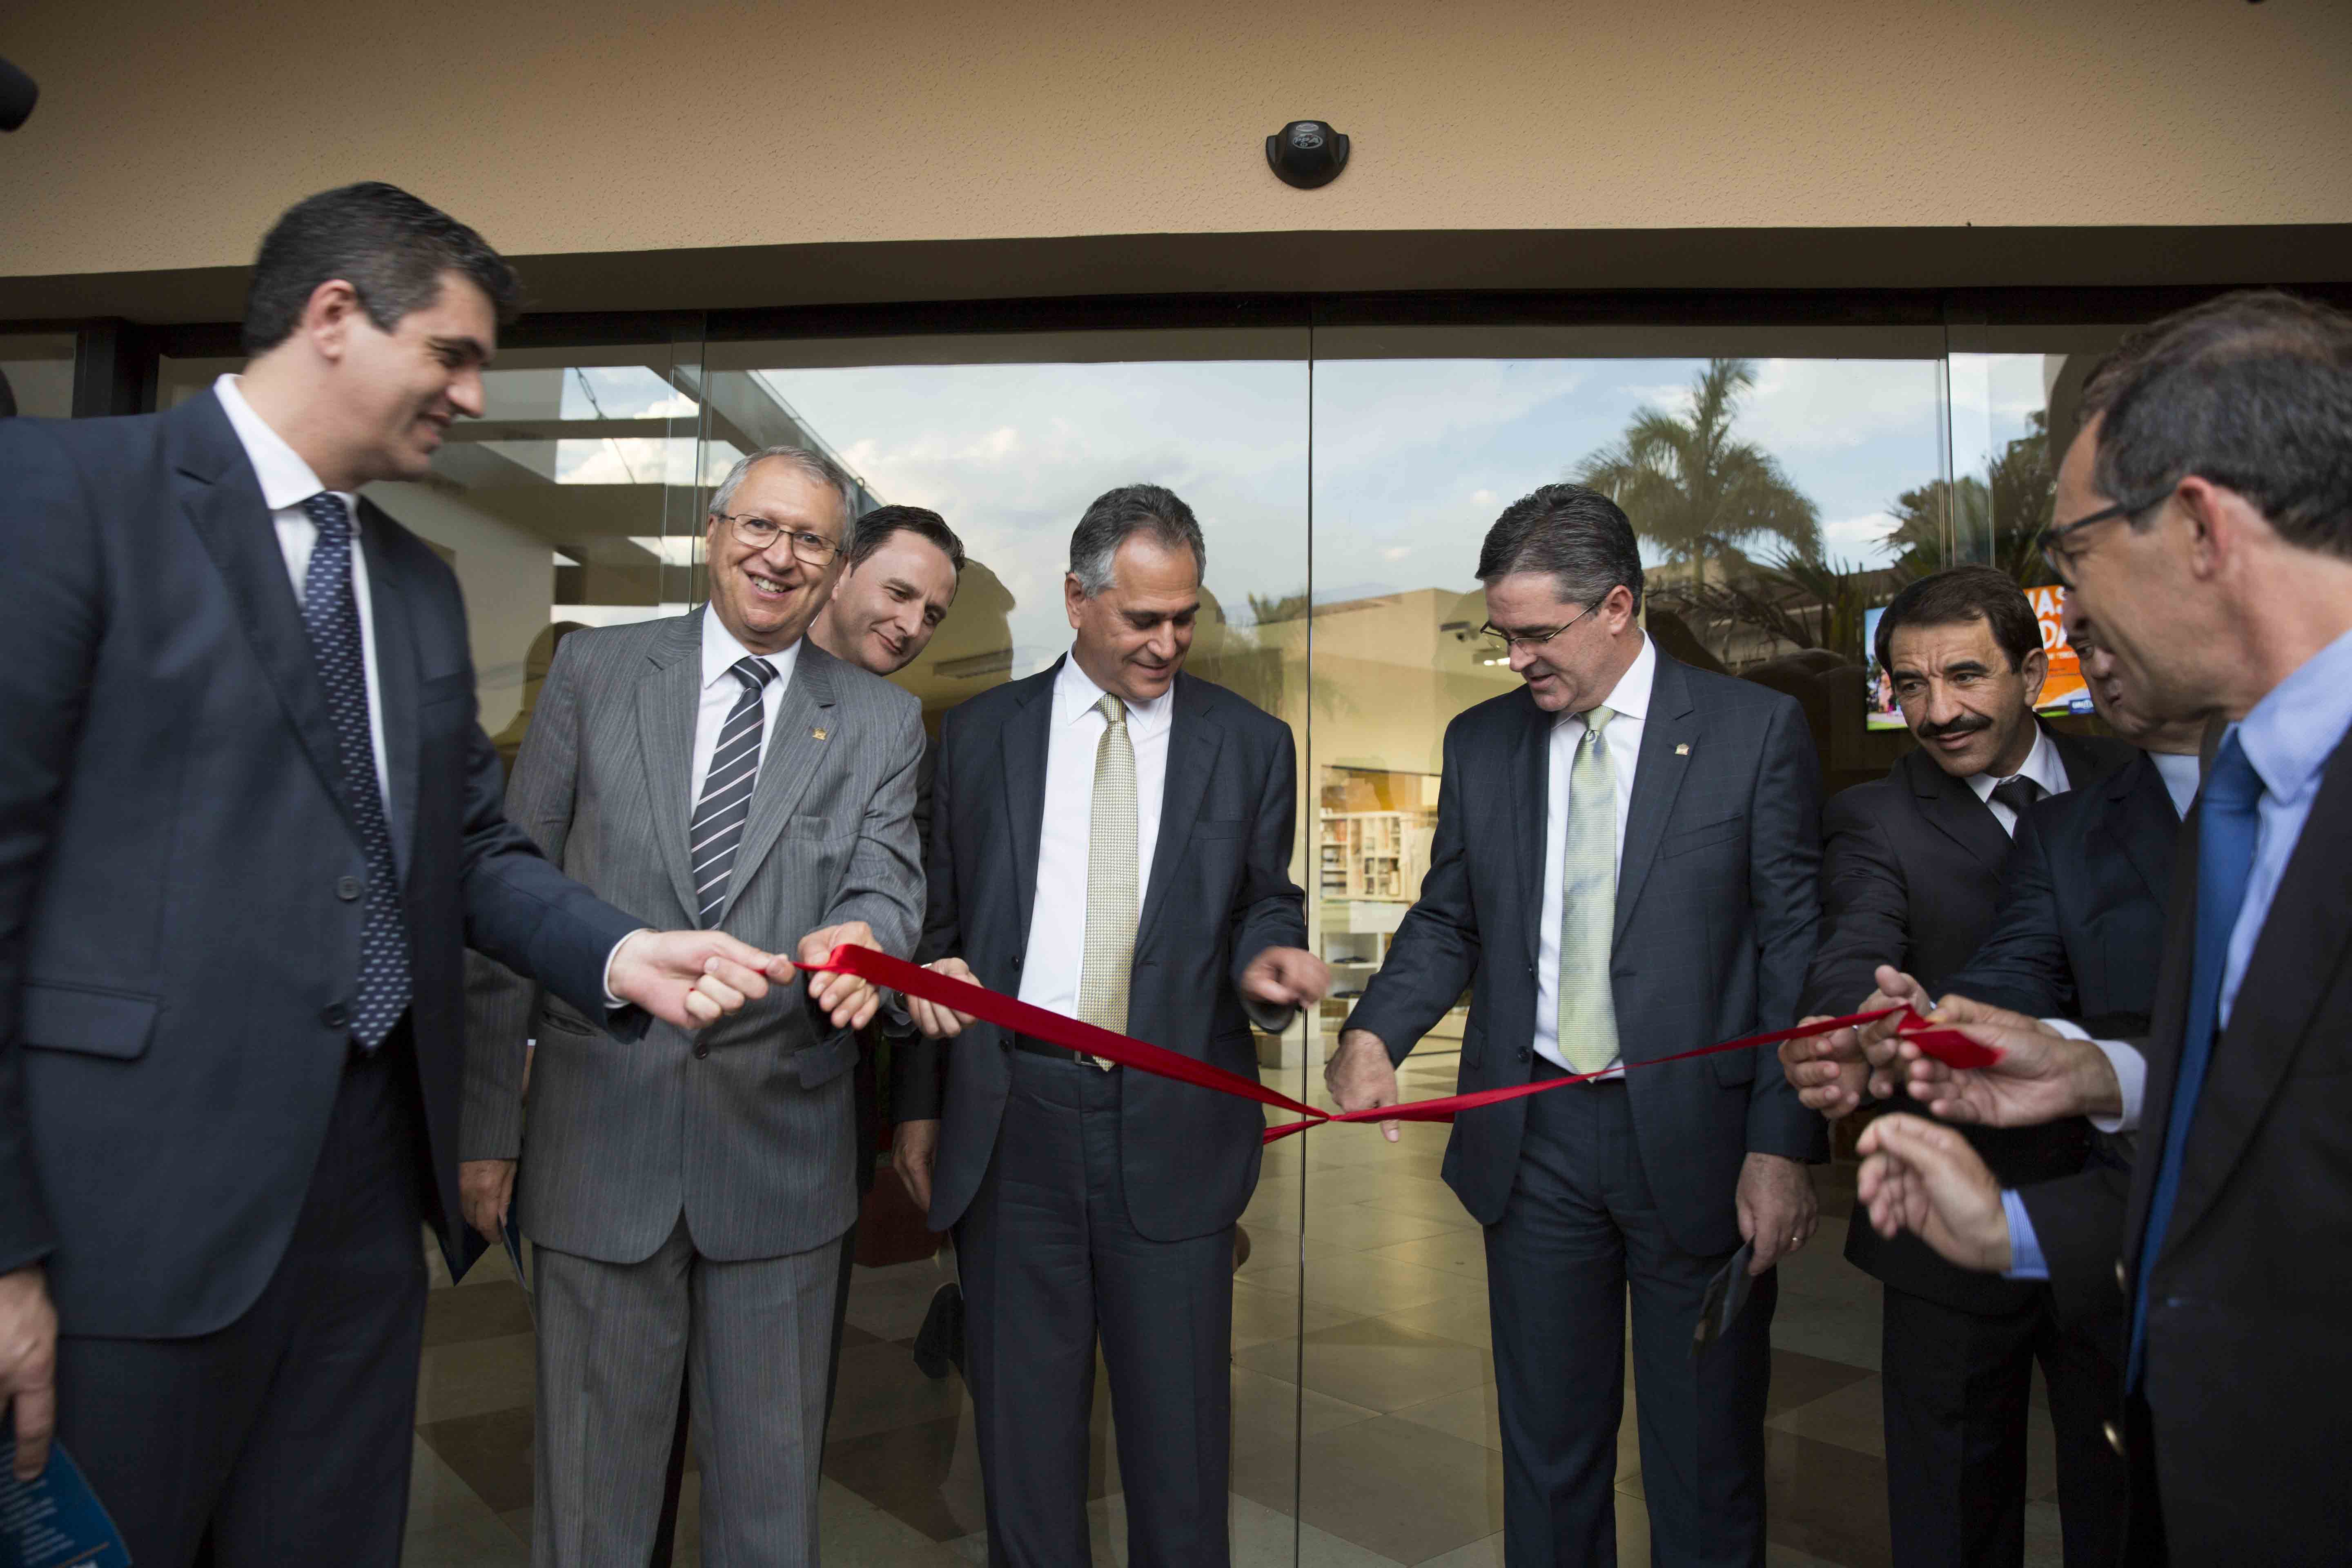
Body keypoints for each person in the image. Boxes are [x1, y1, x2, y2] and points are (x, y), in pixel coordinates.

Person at [0, 182, 793, 1568]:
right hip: (123, 1231)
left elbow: (466, 850)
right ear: (331, 319)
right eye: (451, 353)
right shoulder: (68, 499)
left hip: (363, 1219)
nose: (474, 397)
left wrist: (616, 952)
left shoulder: (417, 584)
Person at [1841, 289, 2352, 1567]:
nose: (2068, 614)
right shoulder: (2259, 790)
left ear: (2197, 526)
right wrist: (2088, 1088)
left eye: (2070, 556)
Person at [1328, 483, 1824, 1567]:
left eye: (1536, 635)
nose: (1515, 661)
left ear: (1617, 606)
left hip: (1699, 1145)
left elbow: (1795, 957)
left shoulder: (1753, 735)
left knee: (1706, 1462)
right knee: (1548, 1458)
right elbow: (1449, 917)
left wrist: (1783, 1144)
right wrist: (1374, 1035)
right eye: (1503, 637)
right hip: (1538, 1141)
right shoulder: (1485, 744)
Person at [459, 445, 920, 1567]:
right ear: (715, 533)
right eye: (761, 527)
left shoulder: (878, 721)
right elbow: (507, 894)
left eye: (811, 540)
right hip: (594, 1142)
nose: (780, 556)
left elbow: (886, 881)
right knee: (590, 1515)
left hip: (781, 1159)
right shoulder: (594, 673)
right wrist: (485, 1128)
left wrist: (867, 940)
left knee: (769, 1517)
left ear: (836, 566)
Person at [894, 483, 1326, 1567]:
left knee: (1181, 1456)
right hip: (1012, 1121)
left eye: (1186, 615)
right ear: (1078, 599)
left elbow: (1263, 902)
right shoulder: (979, 738)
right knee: (1024, 1452)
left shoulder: (1250, 744)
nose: (1168, 642)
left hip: (1177, 1128)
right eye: (1143, 618)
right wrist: (919, 1104)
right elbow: (935, 929)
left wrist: (1268, 965)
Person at [1795, 564, 2134, 1568]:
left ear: (2030, 670)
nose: (1935, 711)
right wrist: (1862, 1011)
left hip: (2122, 1197)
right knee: (1949, 1512)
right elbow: (1854, 937)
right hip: (1948, 1216)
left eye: (1962, 675)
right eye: (1907, 686)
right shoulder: (1871, 818)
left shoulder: (2131, 780)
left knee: (2125, 1501)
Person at [1931, 596, 2204, 1038]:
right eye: (2084, 649)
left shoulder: (2327, 784)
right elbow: (2018, 973)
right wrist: (1930, 1021)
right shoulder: (2058, 831)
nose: (2097, 668)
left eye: (2117, 639)